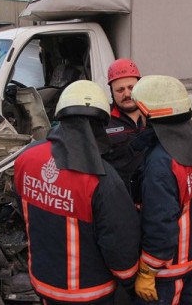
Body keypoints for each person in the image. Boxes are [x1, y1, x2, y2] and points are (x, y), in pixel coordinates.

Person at [14, 80, 140, 304]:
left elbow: (24, 209)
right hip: (88, 291)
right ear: (100, 124)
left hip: (42, 281)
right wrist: (130, 281)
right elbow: (119, 241)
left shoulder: (26, 157)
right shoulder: (103, 179)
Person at [130, 75, 192, 304]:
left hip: (166, 267)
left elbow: (160, 223)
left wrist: (147, 271)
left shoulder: (161, 162)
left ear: (151, 113)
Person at [102, 58, 147, 194]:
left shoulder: (154, 115)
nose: (127, 94)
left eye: (131, 88)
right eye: (120, 90)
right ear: (111, 92)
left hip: (151, 196)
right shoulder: (102, 120)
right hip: (119, 197)